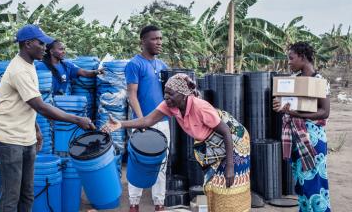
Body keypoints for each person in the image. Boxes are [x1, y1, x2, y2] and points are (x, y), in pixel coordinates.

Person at [103, 73, 251, 211]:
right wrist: (121, 124)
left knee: (228, 185)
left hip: (233, 140)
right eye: (165, 93)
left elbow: (225, 131)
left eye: (171, 93)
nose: (166, 97)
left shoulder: (200, 107)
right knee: (213, 185)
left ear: (184, 95)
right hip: (211, 143)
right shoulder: (170, 106)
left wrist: (230, 166)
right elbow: (147, 120)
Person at [0, 24, 96, 212]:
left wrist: (36, 129)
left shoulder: (29, 66)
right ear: (28, 44)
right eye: (41, 43)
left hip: (25, 137)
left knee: (27, 193)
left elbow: (27, 105)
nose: (45, 47)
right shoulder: (19, 70)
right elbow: (40, 106)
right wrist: (78, 120)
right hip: (7, 138)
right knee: (11, 196)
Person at [272, 42, 331, 212]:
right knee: (302, 183)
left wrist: (298, 114)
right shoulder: (293, 81)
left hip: (313, 139)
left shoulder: (319, 82)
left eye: (291, 58)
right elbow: (286, 105)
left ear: (303, 57)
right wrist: (279, 105)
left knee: (315, 182)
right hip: (296, 136)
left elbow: (324, 112)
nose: (289, 62)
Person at [124, 25, 169, 211]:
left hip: (163, 123)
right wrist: (142, 121)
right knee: (138, 164)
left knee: (161, 165)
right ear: (142, 41)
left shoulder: (163, 65)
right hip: (141, 123)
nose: (159, 42)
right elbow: (131, 95)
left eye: (160, 38)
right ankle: (134, 204)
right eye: (154, 39)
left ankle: (159, 204)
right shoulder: (134, 64)